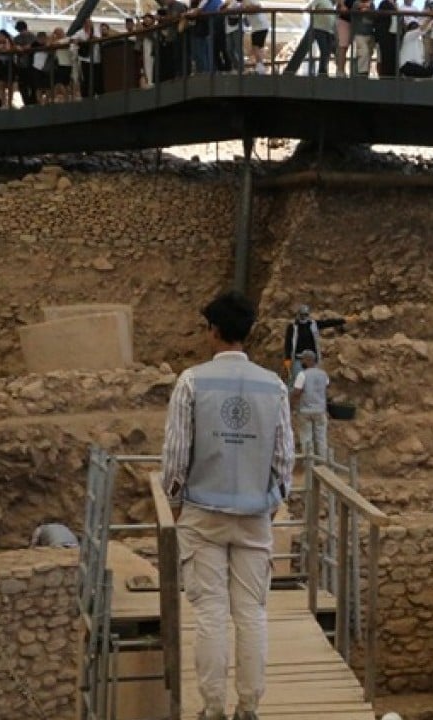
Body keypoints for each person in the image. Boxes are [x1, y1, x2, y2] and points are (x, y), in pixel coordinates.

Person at [162, 290, 294, 720]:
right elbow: (284, 459)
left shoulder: (191, 382)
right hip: (255, 515)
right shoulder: (273, 385)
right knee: (251, 612)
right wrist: (271, 504)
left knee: (211, 612)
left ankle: (213, 709)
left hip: (203, 513)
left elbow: (176, 457)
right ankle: (249, 707)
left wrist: (178, 503)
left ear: (213, 331)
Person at [283, 305, 349, 382]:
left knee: (311, 381)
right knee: (297, 380)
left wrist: (344, 320)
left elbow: (328, 323)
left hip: (311, 360)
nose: (303, 317)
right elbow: (288, 343)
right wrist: (287, 358)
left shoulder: (313, 324)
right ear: (298, 314)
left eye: (305, 315)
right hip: (298, 359)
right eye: (302, 315)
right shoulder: (292, 327)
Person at [291, 349, 330, 459]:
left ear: (308, 360)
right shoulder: (323, 374)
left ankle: (309, 465)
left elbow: (297, 392)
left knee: (307, 438)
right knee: (321, 438)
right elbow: (326, 387)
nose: (301, 362)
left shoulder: (302, 375)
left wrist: (291, 404)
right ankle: (324, 464)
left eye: (302, 359)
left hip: (305, 411)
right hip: (320, 410)